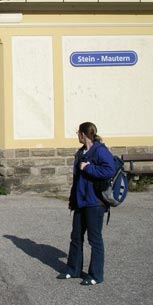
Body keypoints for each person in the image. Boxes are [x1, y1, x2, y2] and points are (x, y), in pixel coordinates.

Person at [58, 122, 115, 286]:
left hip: (94, 202)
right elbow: (77, 180)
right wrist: (72, 200)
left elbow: (109, 170)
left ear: (83, 134)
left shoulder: (100, 150)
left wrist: (88, 168)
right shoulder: (80, 152)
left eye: (78, 133)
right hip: (80, 201)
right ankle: (73, 269)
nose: (77, 135)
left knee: (94, 239)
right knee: (76, 236)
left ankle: (96, 275)